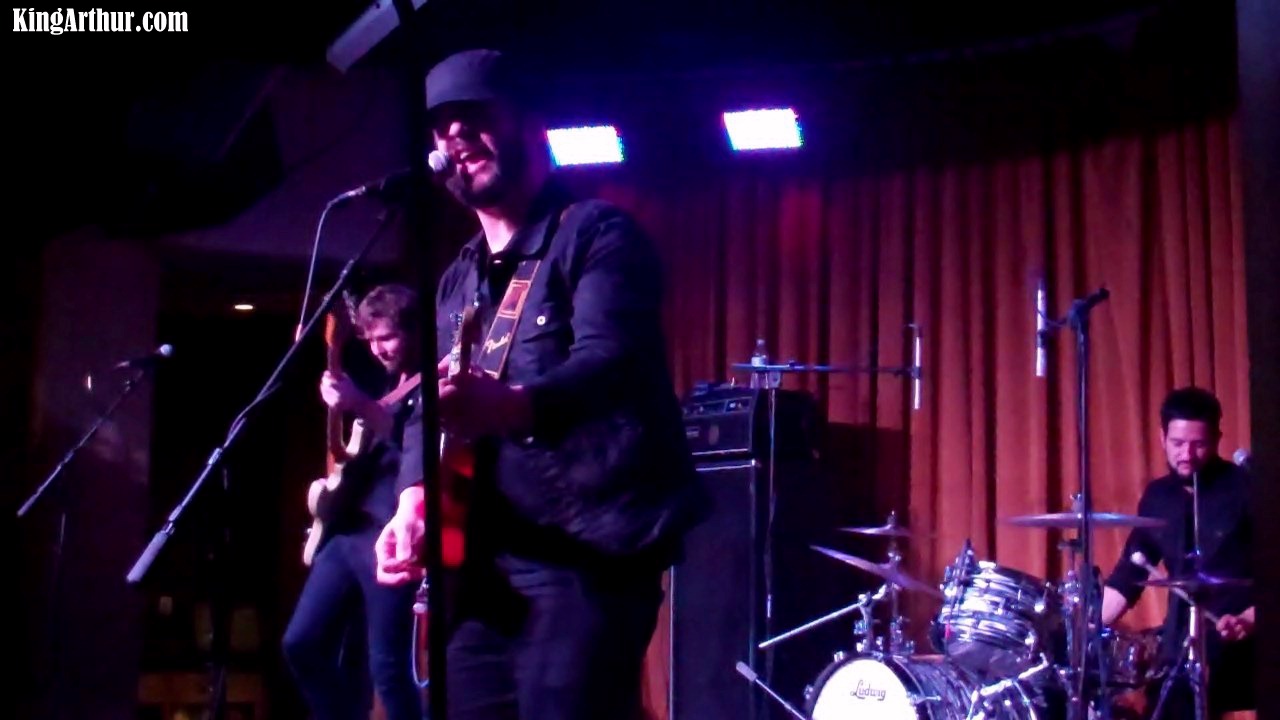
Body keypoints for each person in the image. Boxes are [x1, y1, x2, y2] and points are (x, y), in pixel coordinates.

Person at [373, 48, 709, 720]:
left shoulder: (597, 234)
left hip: (587, 554)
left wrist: (512, 405)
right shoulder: (458, 279)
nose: (456, 134)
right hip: (485, 561)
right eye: (441, 123)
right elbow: (426, 408)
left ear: (529, 123)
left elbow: (612, 364)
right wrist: (413, 500)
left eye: (475, 115)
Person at [283, 284, 425, 720]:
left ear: (414, 331)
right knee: (301, 644)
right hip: (349, 534)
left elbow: (414, 443)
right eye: (372, 340)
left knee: (389, 669)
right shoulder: (387, 379)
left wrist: (359, 404)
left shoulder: (434, 381)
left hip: (389, 538)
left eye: (388, 338)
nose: (379, 349)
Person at [1101, 386, 1255, 718]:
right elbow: (1129, 575)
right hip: (1179, 645)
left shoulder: (1246, 489)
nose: (1187, 454)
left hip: (1244, 642)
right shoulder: (1158, 496)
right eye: (1178, 443)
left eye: (1199, 444)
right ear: (1162, 438)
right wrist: (1084, 629)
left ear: (1217, 439)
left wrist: (1249, 619)